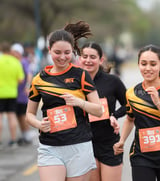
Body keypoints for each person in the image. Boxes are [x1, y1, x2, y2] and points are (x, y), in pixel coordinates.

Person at [26, 21, 103, 181]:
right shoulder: (39, 79)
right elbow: (29, 114)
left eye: (67, 52)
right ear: (49, 51)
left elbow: (98, 110)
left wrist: (79, 102)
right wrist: (39, 124)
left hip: (78, 146)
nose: (62, 57)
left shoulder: (81, 75)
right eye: (57, 52)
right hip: (50, 146)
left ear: (73, 51)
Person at [113, 44, 160, 181]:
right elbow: (130, 119)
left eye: (153, 64)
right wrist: (122, 140)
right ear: (138, 65)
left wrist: (158, 103)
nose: (148, 68)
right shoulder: (132, 93)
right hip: (142, 156)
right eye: (143, 64)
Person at [78, 42, 127, 181]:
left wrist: (114, 115)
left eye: (92, 57)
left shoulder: (113, 81)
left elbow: (128, 105)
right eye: (84, 56)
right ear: (80, 58)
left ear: (101, 59)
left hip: (109, 143)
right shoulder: (74, 82)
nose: (88, 60)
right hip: (84, 143)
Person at [0, 42, 24, 149]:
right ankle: (13, 140)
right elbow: (20, 79)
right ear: (10, 51)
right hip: (12, 93)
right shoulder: (16, 62)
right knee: (11, 116)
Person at [11, 43, 34, 145]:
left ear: (19, 53)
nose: (13, 54)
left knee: (23, 115)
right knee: (18, 115)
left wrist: (27, 86)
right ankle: (24, 135)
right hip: (14, 94)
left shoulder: (23, 62)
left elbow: (29, 74)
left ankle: (27, 136)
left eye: (15, 52)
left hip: (22, 94)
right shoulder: (14, 62)